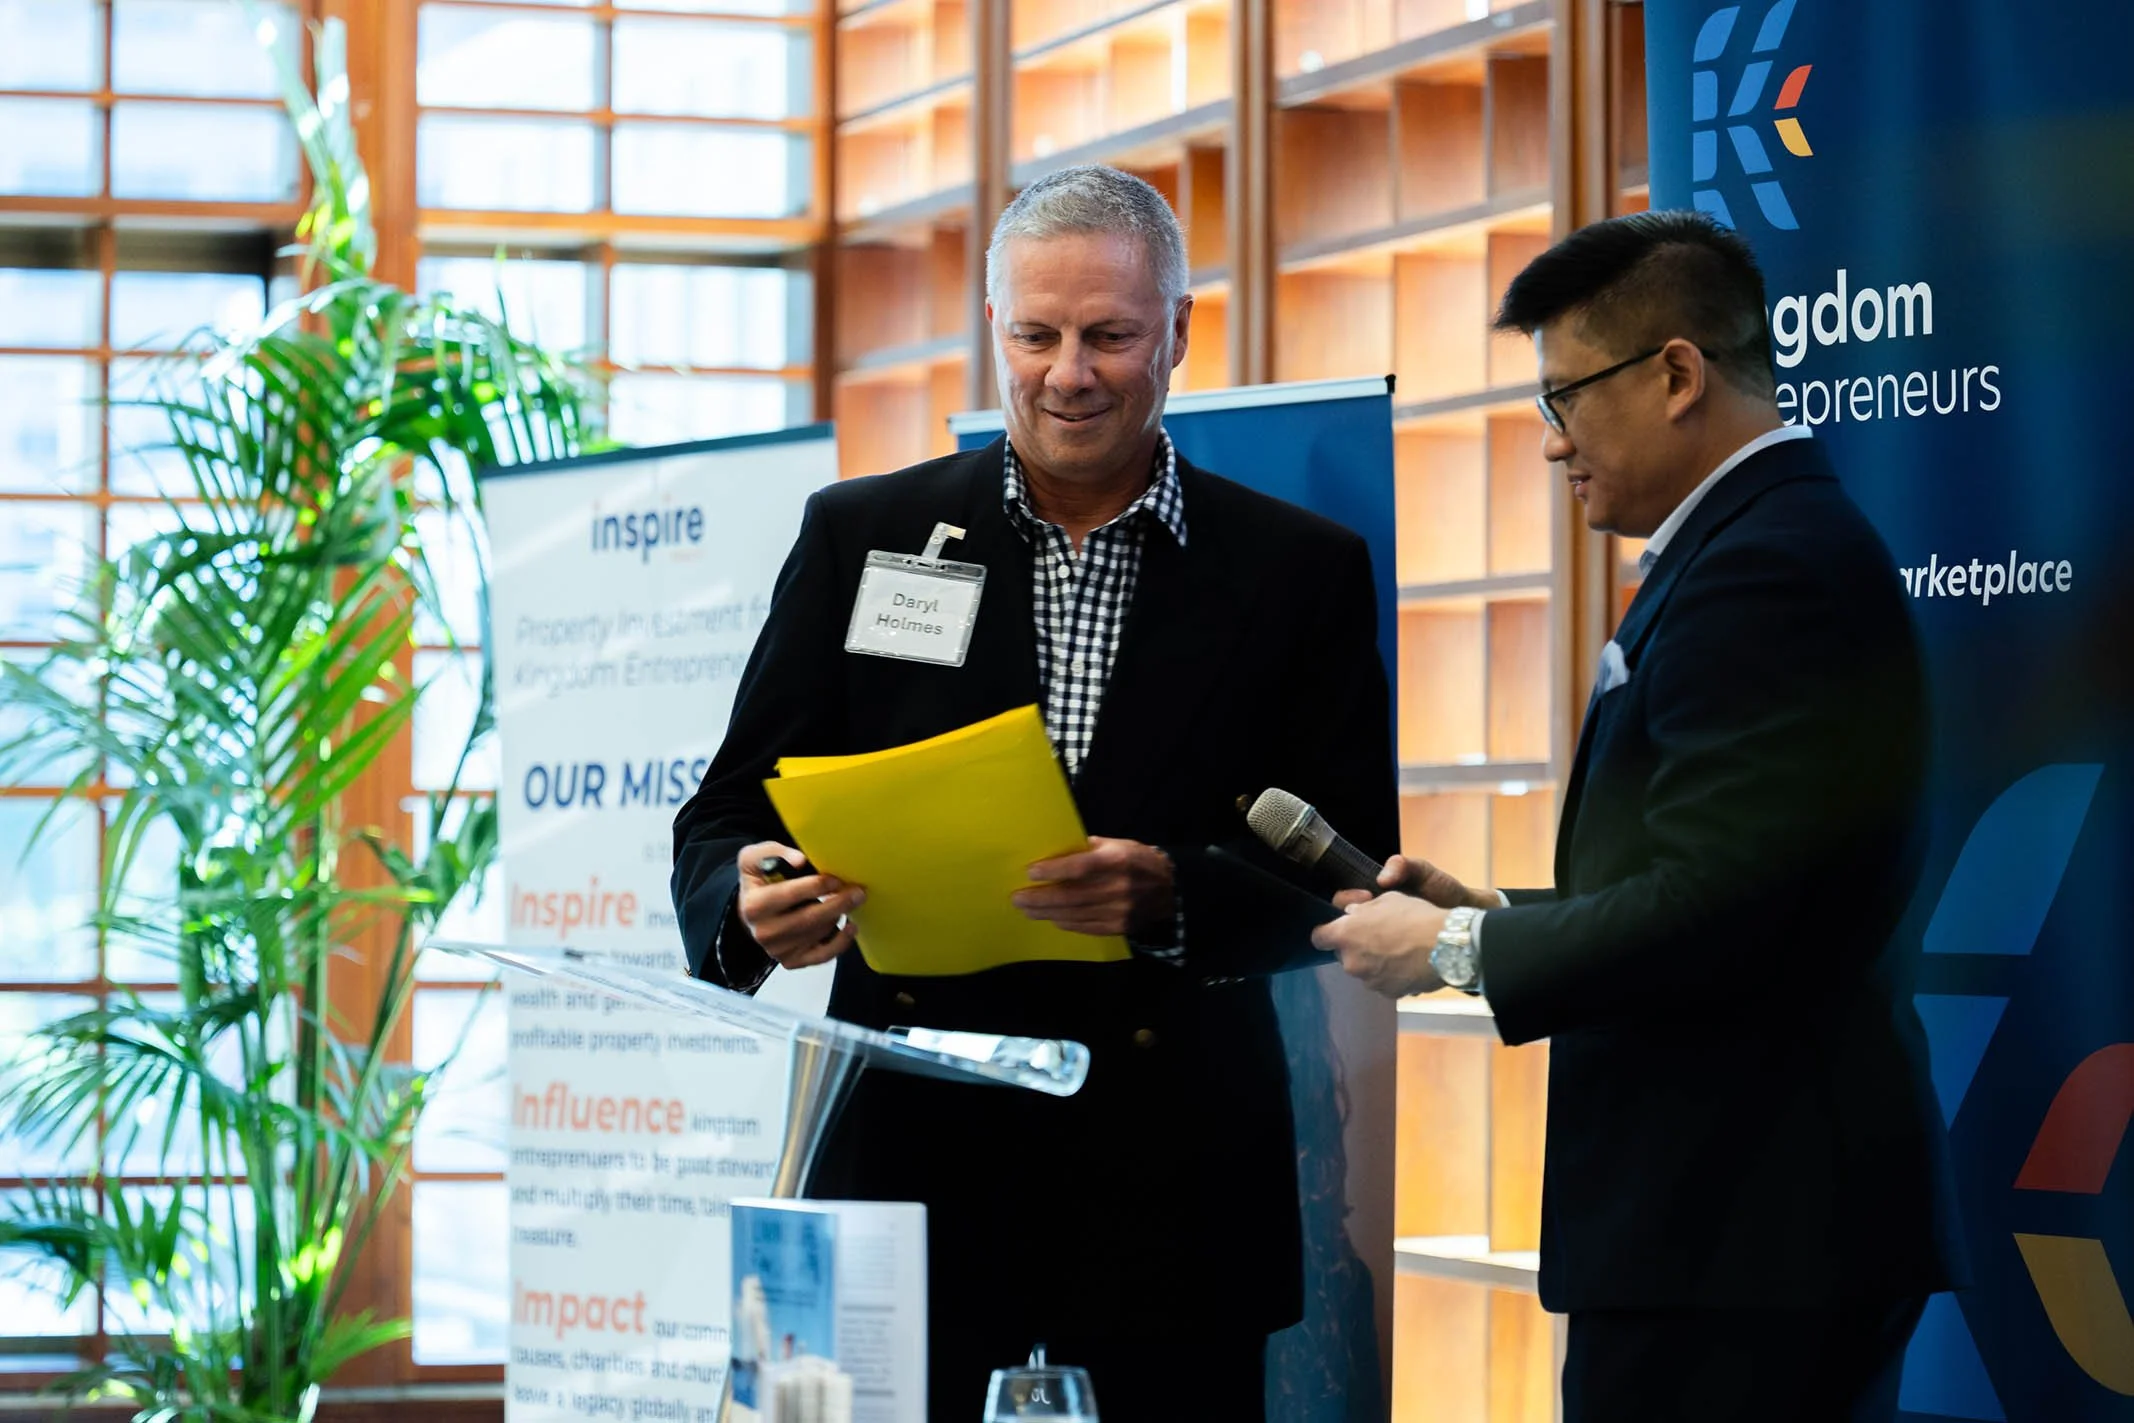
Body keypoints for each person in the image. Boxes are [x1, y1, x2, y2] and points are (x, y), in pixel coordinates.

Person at [670, 163, 1398, 1423]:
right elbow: (728, 815)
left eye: (1111, 334)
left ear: (1176, 331)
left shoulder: (1298, 572)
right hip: (911, 1170)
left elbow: (1350, 872)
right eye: (1038, 332)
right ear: (992, 327)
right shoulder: (867, 536)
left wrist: (1175, 893)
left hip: (1172, 1181)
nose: (1071, 370)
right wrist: (749, 907)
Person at [1312, 211, 1965, 1422]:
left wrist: (1456, 952)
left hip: (1745, 1235)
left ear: (1675, 373)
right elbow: (1727, 875)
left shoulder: (1765, 565)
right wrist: (1503, 911)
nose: (1551, 442)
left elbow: (1726, 912)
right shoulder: (1742, 546)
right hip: (1730, 1234)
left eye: (1566, 398)